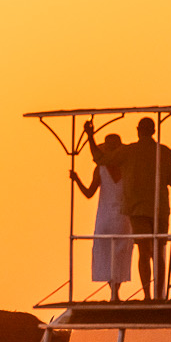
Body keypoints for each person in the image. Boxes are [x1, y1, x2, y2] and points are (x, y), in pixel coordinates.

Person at [90, 117, 171, 301]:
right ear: (154, 131)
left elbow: (100, 158)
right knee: (158, 252)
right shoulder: (163, 151)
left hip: (137, 208)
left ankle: (147, 294)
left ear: (138, 130)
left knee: (143, 251)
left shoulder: (129, 151)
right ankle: (159, 295)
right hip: (159, 207)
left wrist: (90, 136)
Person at [71, 129, 131, 301]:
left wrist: (76, 179)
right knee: (121, 255)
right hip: (123, 217)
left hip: (105, 217)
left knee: (106, 254)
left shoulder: (100, 169)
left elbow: (89, 193)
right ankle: (115, 293)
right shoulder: (127, 168)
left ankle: (113, 292)